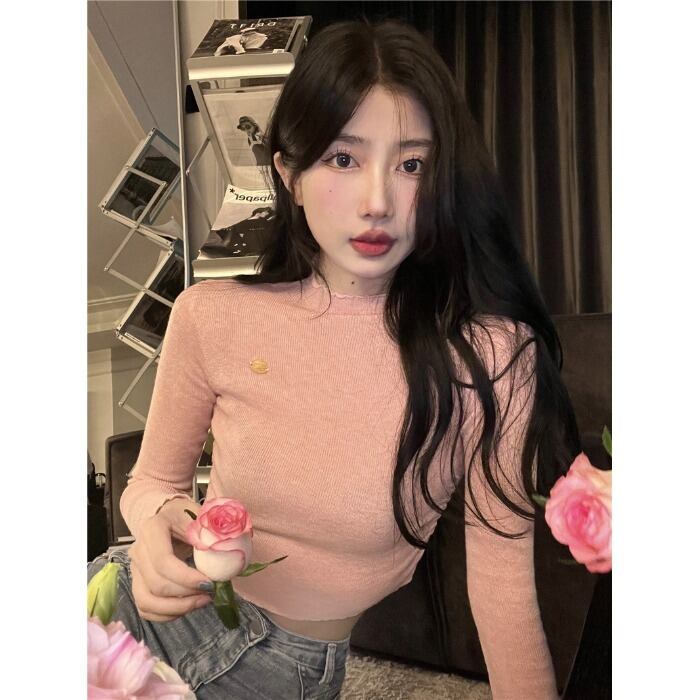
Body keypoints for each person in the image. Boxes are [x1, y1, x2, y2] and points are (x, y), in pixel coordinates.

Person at [88, 18, 579, 700]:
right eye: (343, 160)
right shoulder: (210, 316)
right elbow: (151, 483)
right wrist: (153, 528)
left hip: (280, 665)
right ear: (289, 174)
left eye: (412, 165)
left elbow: (501, 587)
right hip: (123, 604)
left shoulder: (490, 356)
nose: (377, 202)